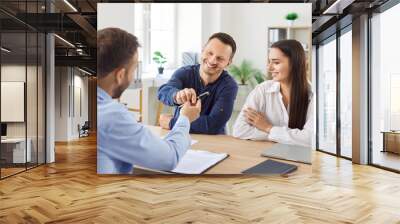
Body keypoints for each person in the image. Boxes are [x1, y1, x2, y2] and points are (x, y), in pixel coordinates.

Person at [97, 27, 201, 174]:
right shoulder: (112, 116)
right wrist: (184, 119)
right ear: (120, 75)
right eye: (134, 70)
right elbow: (169, 158)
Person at [232, 39, 313, 147]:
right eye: (269, 62)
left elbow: (309, 139)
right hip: (266, 153)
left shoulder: (313, 95)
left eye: (276, 62)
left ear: (295, 63)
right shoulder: (262, 90)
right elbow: (239, 130)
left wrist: (267, 127)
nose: (269, 68)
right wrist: (283, 137)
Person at [157, 32, 238, 135]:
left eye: (220, 58)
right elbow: (163, 92)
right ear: (203, 50)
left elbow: (213, 125)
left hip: (213, 143)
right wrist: (176, 96)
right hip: (181, 136)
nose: (212, 60)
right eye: (210, 53)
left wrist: (172, 123)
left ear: (228, 62)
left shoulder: (229, 86)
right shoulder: (184, 73)